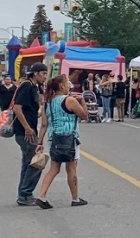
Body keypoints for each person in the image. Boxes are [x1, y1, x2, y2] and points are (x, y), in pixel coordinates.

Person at [35, 75, 90, 208]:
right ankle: (75, 198)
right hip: (70, 138)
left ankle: (41, 196)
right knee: (71, 168)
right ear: (62, 86)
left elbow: (43, 124)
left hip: (54, 138)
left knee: (54, 169)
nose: (69, 86)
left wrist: (39, 142)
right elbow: (84, 115)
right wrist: (82, 101)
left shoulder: (48, 102)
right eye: (67, 83)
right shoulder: (70, 100)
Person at [12, 63, 49, 206]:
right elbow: (17, 108)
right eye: (43, 74)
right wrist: (27, 127)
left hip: (29, 129)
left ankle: (24, 193)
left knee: (28, 163)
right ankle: (25, 194)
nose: (45, 77)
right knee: (37, 162)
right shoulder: (26, 86)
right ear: (35, 73)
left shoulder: (34, 87)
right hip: (25, 132)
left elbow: (30, 109)